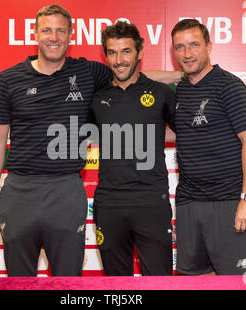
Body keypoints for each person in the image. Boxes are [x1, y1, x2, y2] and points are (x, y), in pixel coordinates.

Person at [0, 4, 182, 276]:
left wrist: (185, 74)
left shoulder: (87, 72)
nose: (53, 37)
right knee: (18, 280)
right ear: (35, 34)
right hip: (19, 191)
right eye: (47, 30)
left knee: (68, 281)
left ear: (70, 35)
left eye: (60, 31)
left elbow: (133, 76)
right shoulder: (9, 78)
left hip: (67, 189)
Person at [170, 19, 246, 275]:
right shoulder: (180, 90)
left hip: (229, 202)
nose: (187, 54)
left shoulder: (228, 85)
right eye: (180, 47)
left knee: (237, 280)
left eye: (194, 45)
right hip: (189, 202)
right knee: (193, 278)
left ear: (209, 46)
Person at [91, 21, 175, 276]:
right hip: (109, 204)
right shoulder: (95, 96)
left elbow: (185, 132)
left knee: (159, 282)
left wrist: (149, 134)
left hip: (152, 202)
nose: (119, 60)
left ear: (139, 52)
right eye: (112, 52)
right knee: (116, 286)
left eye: (126, 51)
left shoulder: (161, 92)